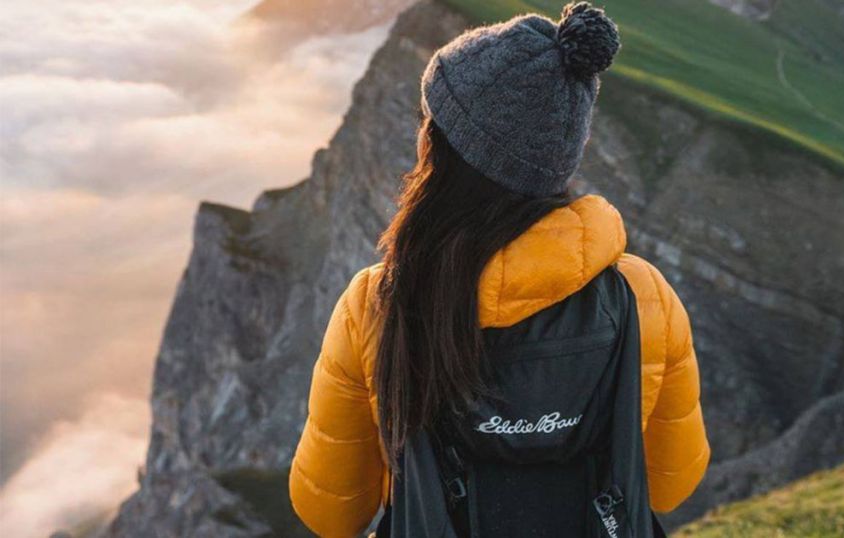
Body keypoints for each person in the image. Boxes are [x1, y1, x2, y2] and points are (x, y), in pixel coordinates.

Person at [288, 3, 710, 536]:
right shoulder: (640, 296)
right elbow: (671, 483)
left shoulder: (379, 303)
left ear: (440, 153)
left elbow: (329, 511)